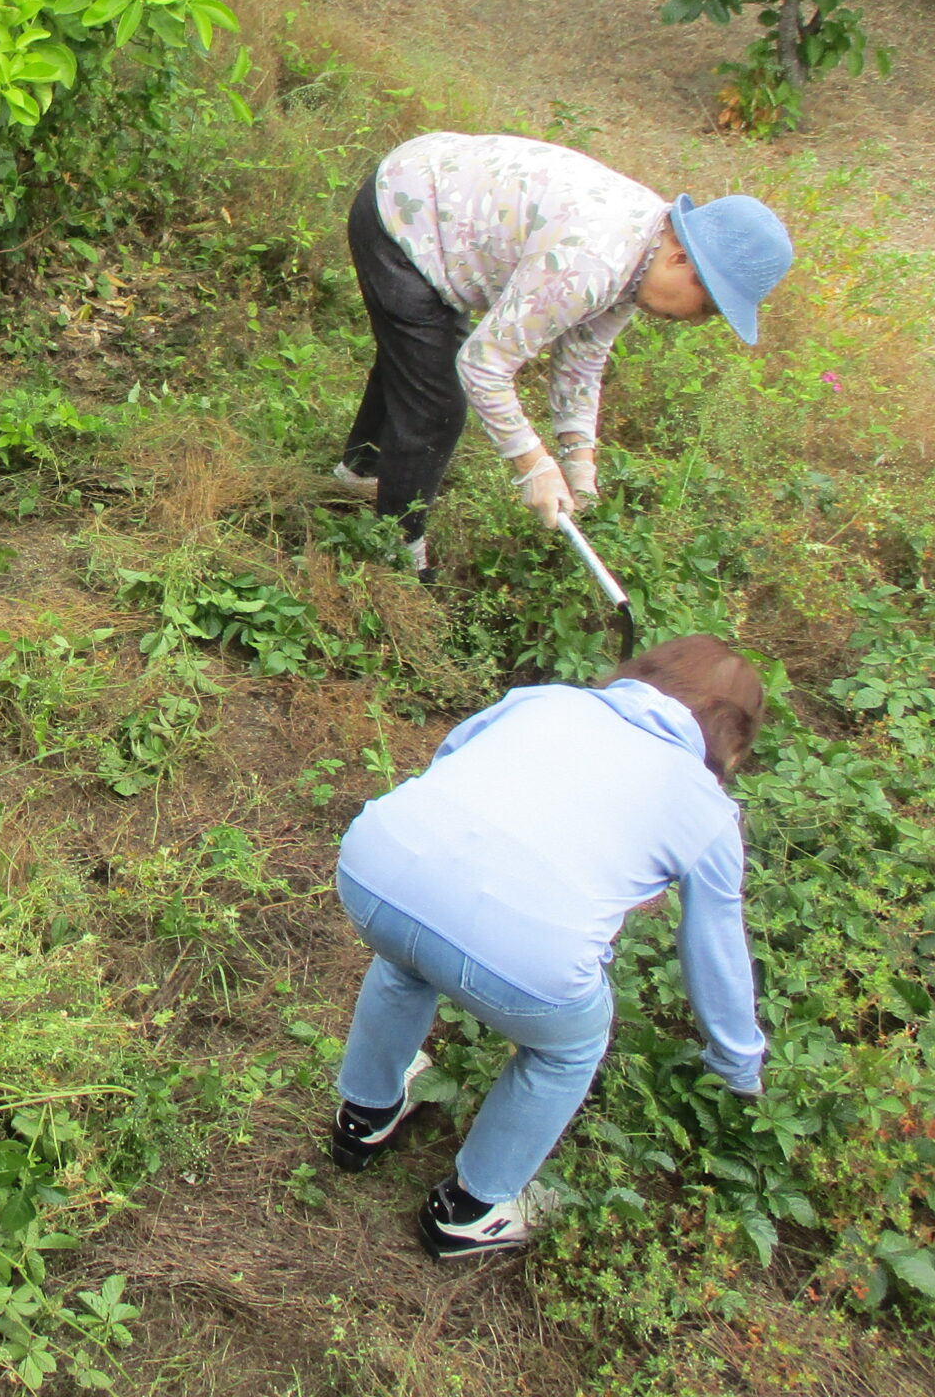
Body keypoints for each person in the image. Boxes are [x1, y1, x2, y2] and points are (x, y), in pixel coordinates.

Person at [325, 635, 767, 1260]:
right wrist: (738, 1065)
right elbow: (715, 953)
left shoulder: (546, 701)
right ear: (731, 737)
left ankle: (363, 1118)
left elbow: (450, 761)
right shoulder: (707, 811)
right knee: (569, 1047)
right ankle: (468, 1212)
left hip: (375, 873)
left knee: (407, 956)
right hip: (526, 964)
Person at [338, 133, 794, 574]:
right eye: (709, 305)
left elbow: (583, 357)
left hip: (431, 194)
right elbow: (483, 365)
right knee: (436, 401)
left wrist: (579, 459)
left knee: (417, 364)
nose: (697, 319)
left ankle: (358, 474)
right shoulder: (593, 263)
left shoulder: (644, 253)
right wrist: (530, 463)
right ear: (681, 261)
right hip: (403, 211)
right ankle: (397, 553)